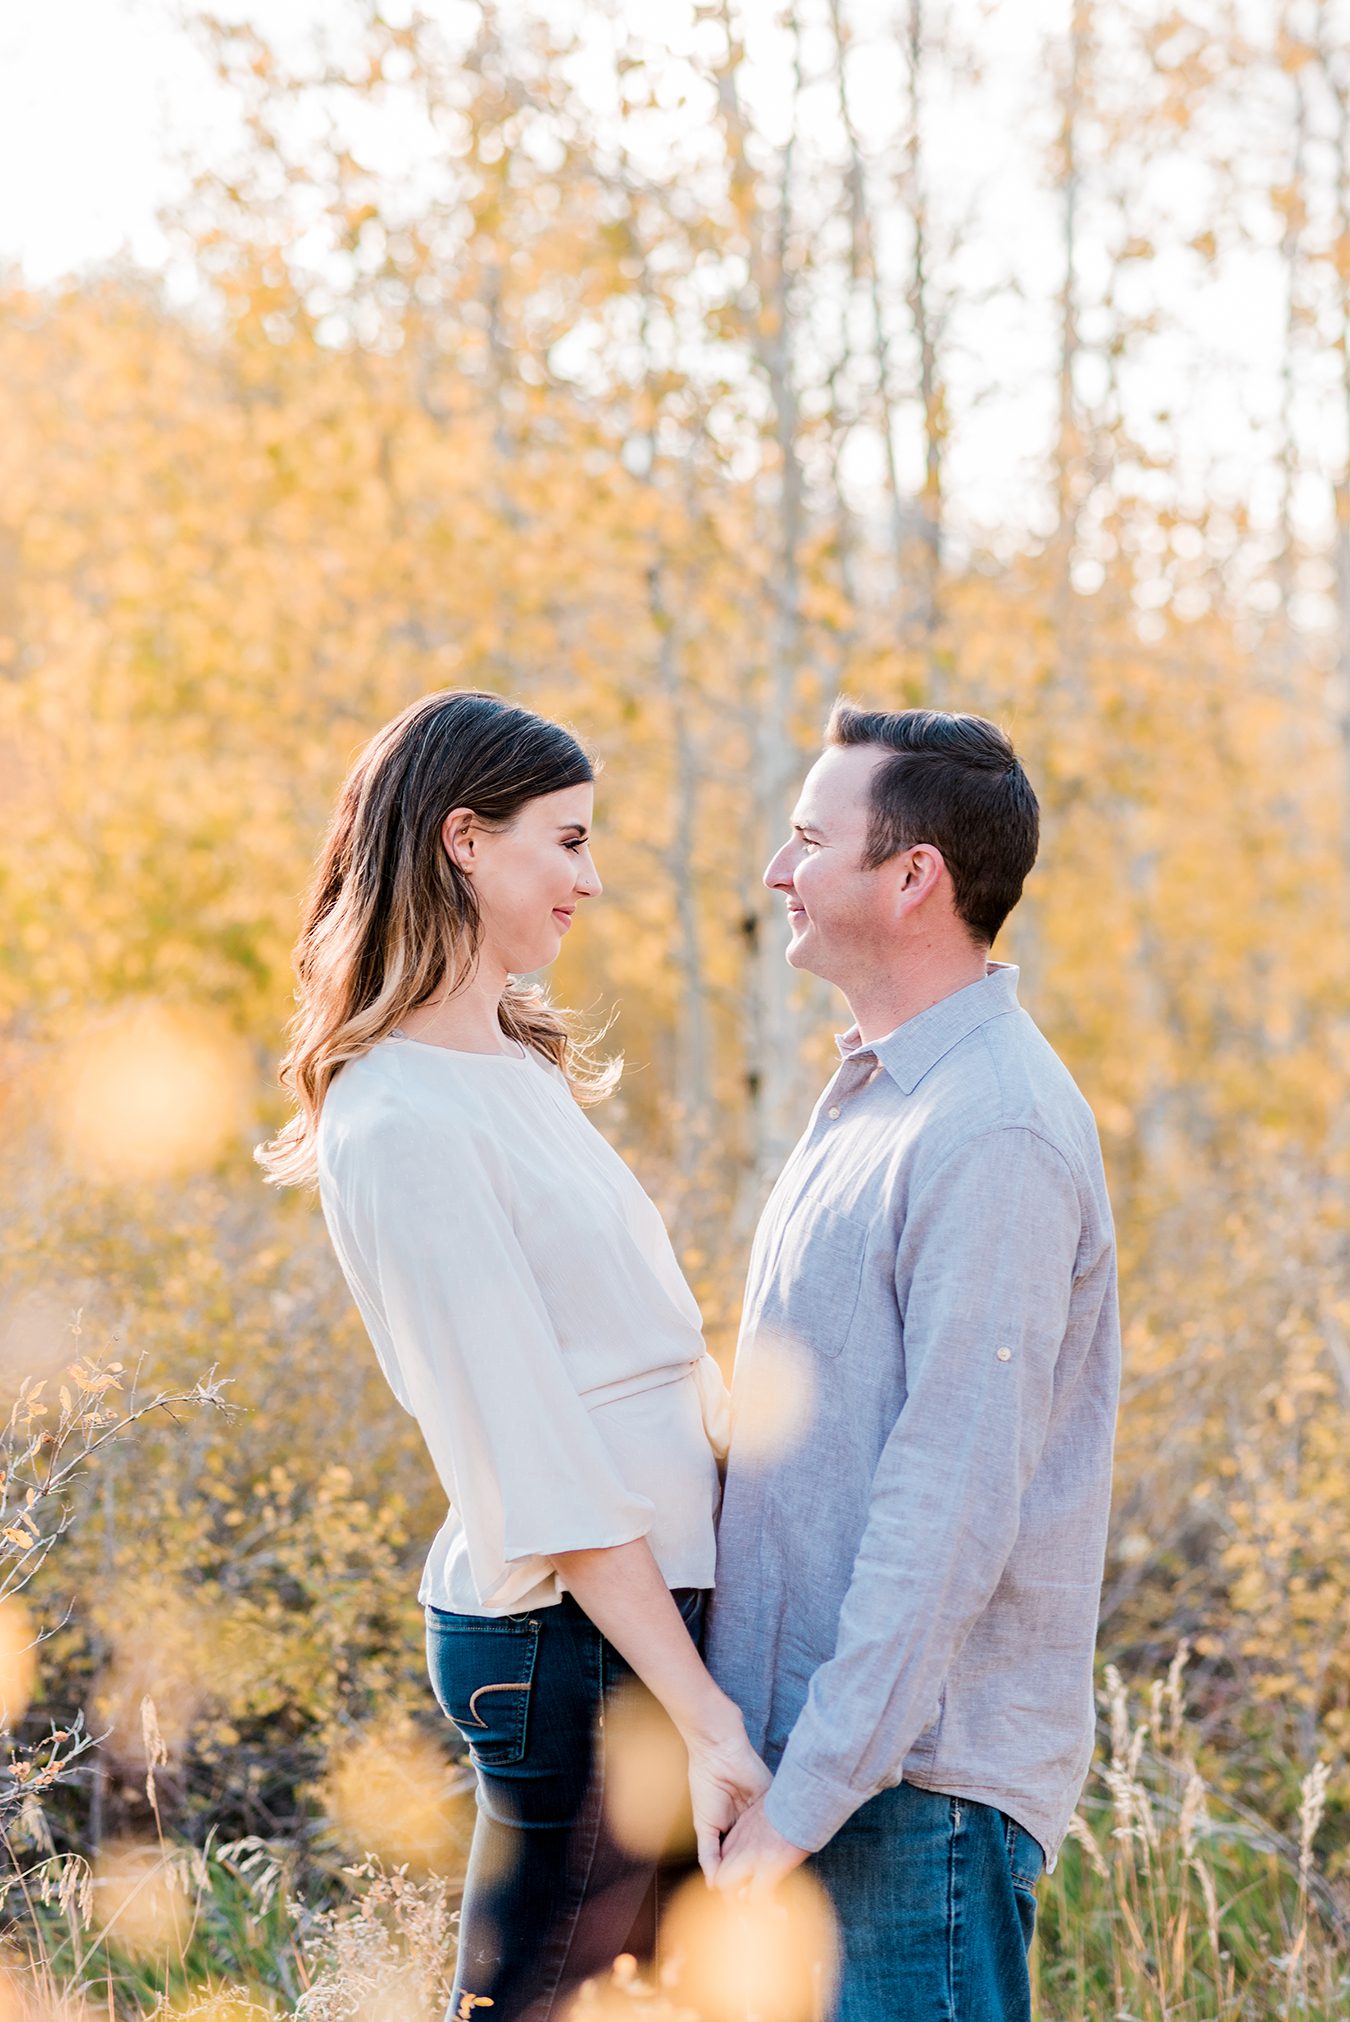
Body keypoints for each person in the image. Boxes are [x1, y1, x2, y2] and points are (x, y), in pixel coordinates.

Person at [256, 688, 768, 2022]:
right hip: (576, 1631)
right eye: (568, 840)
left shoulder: (512, 1064)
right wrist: (707, 1714)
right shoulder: (401, 1115)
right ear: (465, 839)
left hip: (633, 1621)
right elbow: (536, 1456)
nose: (590, 881)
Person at [706, 701, 1121, 2022]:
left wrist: (806, 1795)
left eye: (806, 838)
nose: (778, 871)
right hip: (818, 1786)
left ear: (909, 877)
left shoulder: (992, 1126)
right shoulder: (877, 1100)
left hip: (902, 1808)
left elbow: (948, 1499)